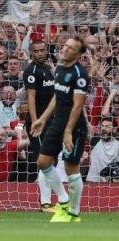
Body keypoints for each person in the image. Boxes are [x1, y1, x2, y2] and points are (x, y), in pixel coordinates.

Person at [31, 36, 89, 222]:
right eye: (65, 46)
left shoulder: (80, 74)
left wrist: (68, 131)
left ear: (79, 54)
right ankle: (63, 201)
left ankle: (74, 212)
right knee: (43, 162)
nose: (65, 49)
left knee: (71, 167)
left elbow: (77, 106)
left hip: (74, 127)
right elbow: (57, 97)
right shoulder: (60, 69)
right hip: (57, 123)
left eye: (71, 48)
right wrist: (42, 119)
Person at [23, 40, 55, 213]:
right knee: (45, 161)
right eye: (37, 51)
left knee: (51, 160)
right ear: (32, 53)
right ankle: (45, 203)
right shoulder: (31, 71)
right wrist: (36, 123)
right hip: (39, 123)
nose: (41, 53)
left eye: (43, 50)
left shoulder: (48, 69)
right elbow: (31, 98)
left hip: (51, 121)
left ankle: (46, 200)